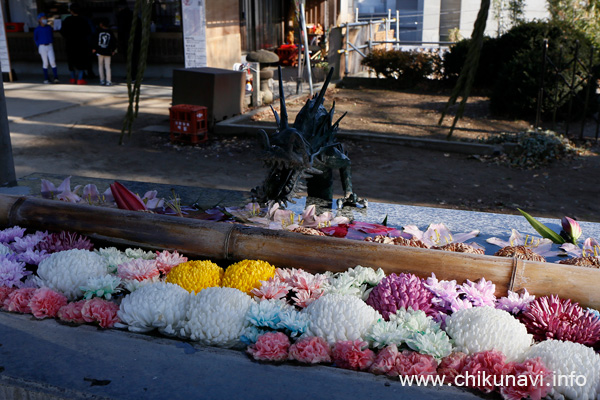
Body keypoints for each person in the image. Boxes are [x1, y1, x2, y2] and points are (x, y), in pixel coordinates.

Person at [60, 3, 92, 85]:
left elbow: (62, 32)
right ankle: (80, 79)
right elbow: (88, 31)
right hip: (81, 43)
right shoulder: (83, 20)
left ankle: (72, 78)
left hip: (70, 43)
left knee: (71, 61)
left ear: (71, 11)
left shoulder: (67, 20)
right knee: (81, 61)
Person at [116, 0, 141, 81]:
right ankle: (135, 75)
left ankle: (130, 75)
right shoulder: (133, 14)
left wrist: (120, 39)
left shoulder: (121, 15)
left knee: (129, 58)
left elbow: (121, 28)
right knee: (134, 58)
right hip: (136, 39)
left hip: (126, 39)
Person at [33, 13, 59, 84]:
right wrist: (39, 47)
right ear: (39, 20)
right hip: (42, 46)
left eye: (45, 18)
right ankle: (46, 78)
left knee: (52, 61)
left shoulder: (49, 27)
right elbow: (35, 39)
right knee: (45, 63)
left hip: (50, 45)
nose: (44, 19)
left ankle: (56, 77)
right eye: (42, 18)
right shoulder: (37, 29)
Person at [92, 17, 117, 86]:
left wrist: (94, 48)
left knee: (100, 66)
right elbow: (114, 42)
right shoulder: (110, 32)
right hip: (108, 51)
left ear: (101, 24)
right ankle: (108, 81)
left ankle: (102, 80)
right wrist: (114, 50)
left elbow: (95, 41)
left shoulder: (98, 31)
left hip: (99, 51)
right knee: (107, 66)